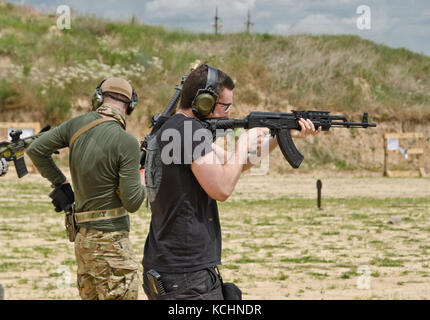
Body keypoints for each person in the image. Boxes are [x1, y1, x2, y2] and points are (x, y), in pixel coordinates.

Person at [142, 64, 321, 300]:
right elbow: (223, 188)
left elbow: (238, 165)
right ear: (203, 101)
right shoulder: (187, 132)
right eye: (225, 106)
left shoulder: (171, 128)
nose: (228, 114)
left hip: (170, 265)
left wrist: (279, 137)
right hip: (186, 272)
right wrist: (242, 143)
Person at [27, 77, 146, 300]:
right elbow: (133, 201)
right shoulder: (127, 142)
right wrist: (143, 175)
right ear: (130, 107)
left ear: (98, 98)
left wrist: (60, 183)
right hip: (112, 244)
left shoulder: (76, 125)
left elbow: (36, 149)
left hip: (83, 240)